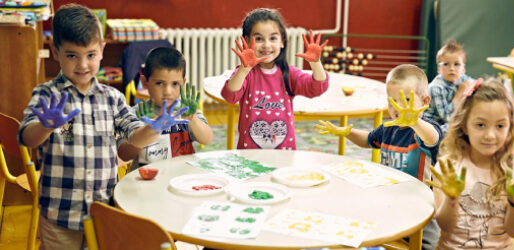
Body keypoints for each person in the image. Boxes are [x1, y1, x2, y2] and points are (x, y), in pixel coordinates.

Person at [18, 4, 188, 250]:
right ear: (56, 52)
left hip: (103, 212)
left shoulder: (113, 97)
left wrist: (154, 128)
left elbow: (134, 137)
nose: (83, 64)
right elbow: (27, 138)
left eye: (90, 54)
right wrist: (45, 126)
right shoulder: (47, 95)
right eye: (72, 55)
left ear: (101, 51)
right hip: (59, 214)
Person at [316, 64, 442, 249]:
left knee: (429, 246)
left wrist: (415, 122)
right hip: (389, 199)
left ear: (424, 101)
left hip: (420, 206)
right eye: (392, 102)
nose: (398, 108)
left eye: (406, 100)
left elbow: (432, 138)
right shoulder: (388, 128)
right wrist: (347, 133)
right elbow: (368, 140)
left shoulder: (425, 130)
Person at [426, 78, 514, 249]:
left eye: (500, 126)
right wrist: (451, 199)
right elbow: (445, 226)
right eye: (481, 125)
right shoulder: (449, 168)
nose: (490, 135)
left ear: (510, 128)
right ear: (464, 126)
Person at [221, 8, 329, 150]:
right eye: (258, 38)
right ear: (247, 41)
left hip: (284, 152)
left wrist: (315, 63)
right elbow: (229, 95)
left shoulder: (289, 74)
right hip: (250, 153)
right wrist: (243, 70)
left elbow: (316, 88)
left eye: (273, 38)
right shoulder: (247, 74)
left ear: (282, 41)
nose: (266, 45)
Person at [117, 47, 214, 170]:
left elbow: (207, 139)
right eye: (159, 83)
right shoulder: (135, 113)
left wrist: (193, 118)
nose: (167, 92)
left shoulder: (185, 111)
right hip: (148, 182)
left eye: (175, 84)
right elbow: (124, 155)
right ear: (145, 82)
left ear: (183, 83)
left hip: (182, 179)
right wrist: (147, 132)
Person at [424, 40, 476, 132]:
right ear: (439, 69)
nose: (452, 68)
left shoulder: (462, 78)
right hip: (433, 125)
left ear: (463, 69)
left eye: (456, 64)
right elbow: (447, 117)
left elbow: (475, 83)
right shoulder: (436, 87)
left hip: (449, 121)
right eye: (446, 64)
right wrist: (460, 93)